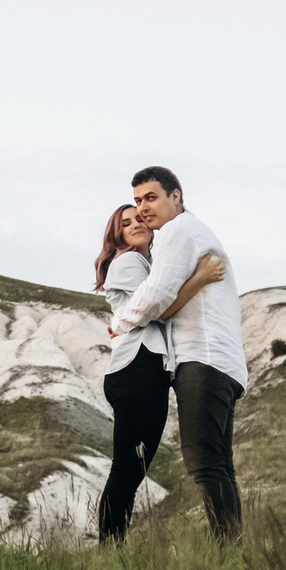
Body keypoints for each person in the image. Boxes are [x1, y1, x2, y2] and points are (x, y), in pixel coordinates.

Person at [107, 165, 248, 538]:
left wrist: (120, 322)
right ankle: (232, 551)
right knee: (218, 465)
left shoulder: (176, 232)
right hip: (220, 361)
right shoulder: (190, 232)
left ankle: (229, 551)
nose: (143, 208)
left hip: (201, 359)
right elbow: (166, 301)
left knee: (205, 465)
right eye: (138, 200)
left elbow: (155, 297)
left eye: (151, 198)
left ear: (176, 196)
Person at [93, 202, 225, 541]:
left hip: (144, 370)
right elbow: (158, 308)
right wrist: (201, 278)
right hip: (136, 368)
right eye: (126, 223)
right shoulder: (127, 261)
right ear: (116, 235)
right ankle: (109, 548)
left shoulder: (146, 263)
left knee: (132, 472)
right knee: (126, 471)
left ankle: (113, 548)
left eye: (139, 218)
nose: (136, 224)